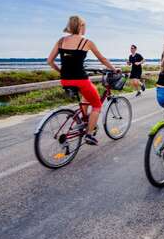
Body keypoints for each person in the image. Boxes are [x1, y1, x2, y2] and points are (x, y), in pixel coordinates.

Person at [47, 15, 119, 146]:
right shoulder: (87, 42)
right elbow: (102, 59)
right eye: (84, 25)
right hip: (80, 80)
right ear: (81, 26)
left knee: (88, 96)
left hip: (65, 80)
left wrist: (61, 72)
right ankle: (89, 135)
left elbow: (49, 61)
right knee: (97, 105)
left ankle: (85, 121)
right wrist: (114, 69)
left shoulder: (61, 41)